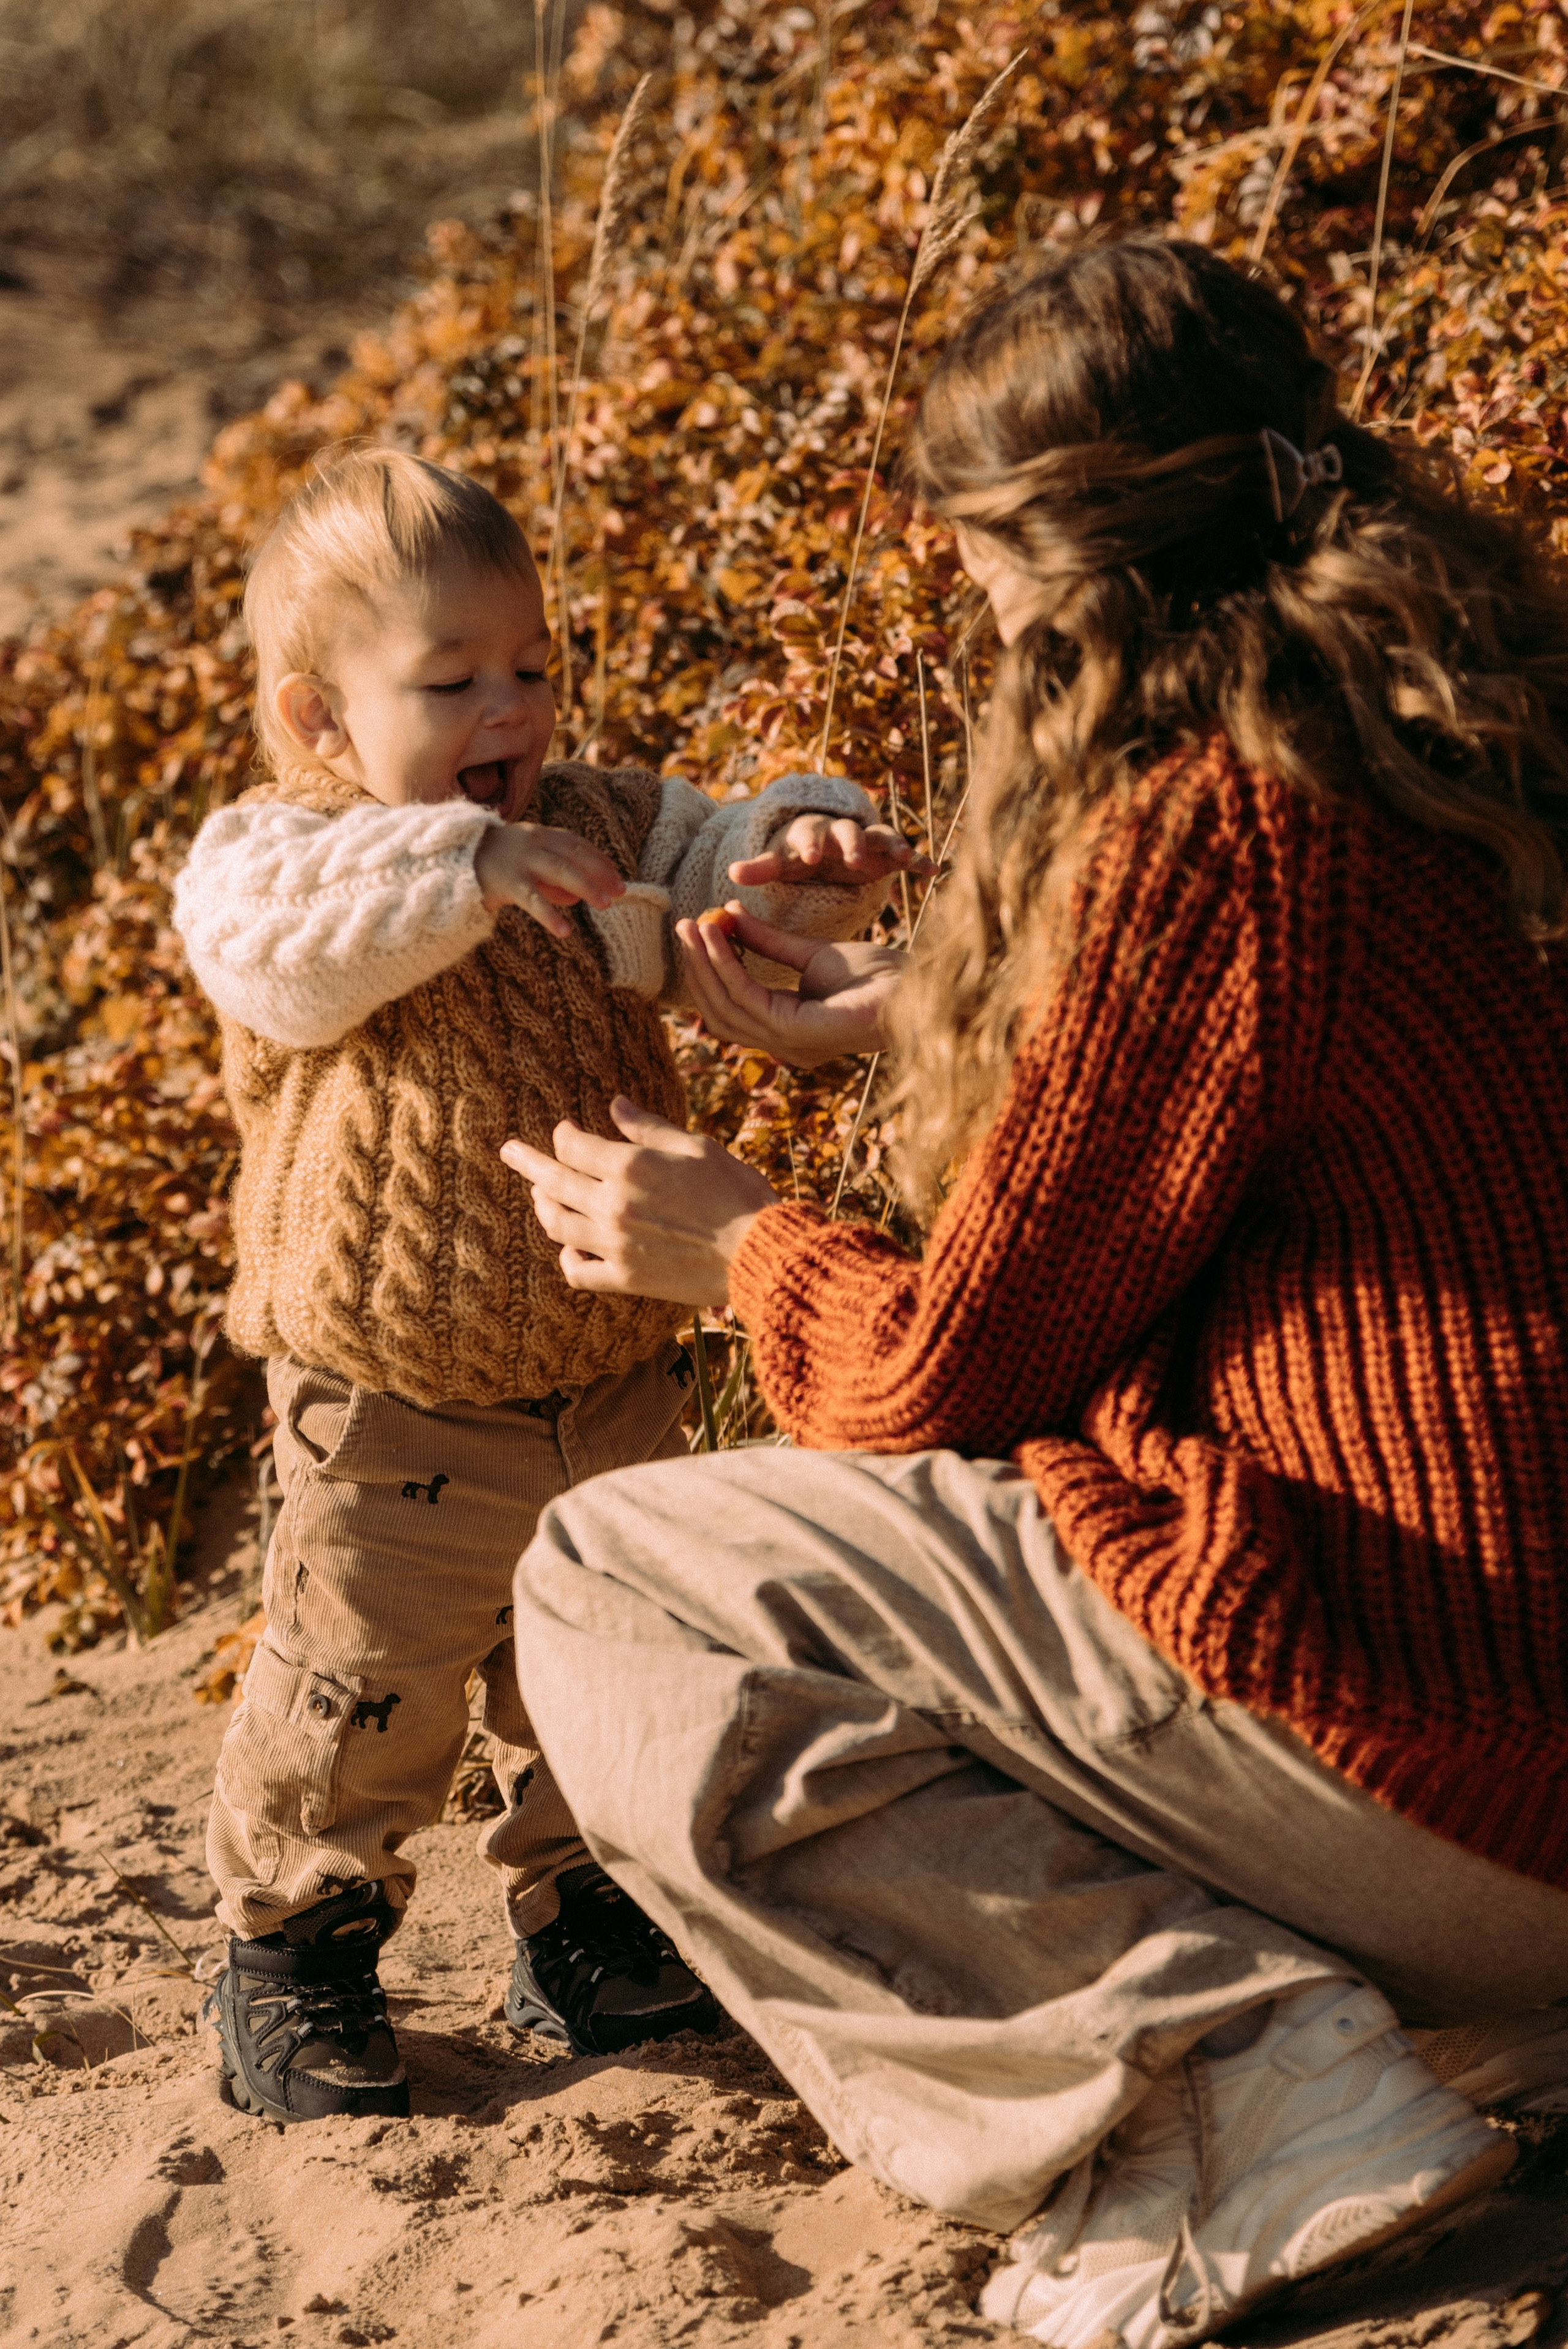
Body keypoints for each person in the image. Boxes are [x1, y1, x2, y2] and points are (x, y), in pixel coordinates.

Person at [502, 238, 1568, 2346]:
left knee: (609, 1577)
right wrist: (915, 1016)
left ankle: (1240, 2091)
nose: (973, 600)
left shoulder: (1217, 826)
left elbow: (948, 1366)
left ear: (1062, 548)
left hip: (1457, 1771)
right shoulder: (1443, 724)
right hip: (1538, 1728)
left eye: (980, 550)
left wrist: (737, 1244)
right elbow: (1280, 1074)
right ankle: (1411, 2033)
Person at [172, 447, 920, 2124]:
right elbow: (274, 956)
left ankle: (579, 1911)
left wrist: (791, 841)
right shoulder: (290, 855)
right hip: (390, 1398)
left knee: (592, 1665)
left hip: (607, 1365)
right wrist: (459, 870)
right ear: (316, 719)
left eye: (530, 665)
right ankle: (293, 1945)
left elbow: (707, 837)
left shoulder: (586, 818)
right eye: (450, 682)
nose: (507, 706)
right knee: (361, 1680)